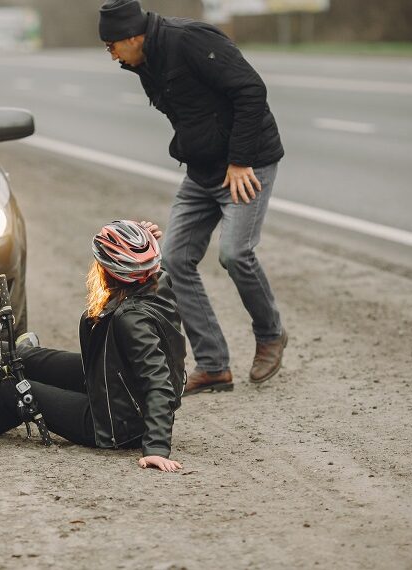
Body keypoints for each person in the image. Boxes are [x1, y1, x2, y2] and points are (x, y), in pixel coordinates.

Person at [98, 0, 288, 394]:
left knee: (235, 253)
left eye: (112, 45)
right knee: (174, 260)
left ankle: (270, 334)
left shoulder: (190, 41)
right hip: (202, 172)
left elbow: (250, 90)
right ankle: (214, 364)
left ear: (133, 36)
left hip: (245, 166)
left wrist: (238, 160)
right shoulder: (142, 61)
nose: (111, 53)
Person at [0, 220, 187, 471]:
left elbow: (158, 381)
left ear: (109, 272)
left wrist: (157, 449)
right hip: (110, 380)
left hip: (113, 422)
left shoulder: (132, 320)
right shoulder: (157, 280)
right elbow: (143, 264)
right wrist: (137, 243)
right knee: (24, 357)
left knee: (13, 389)